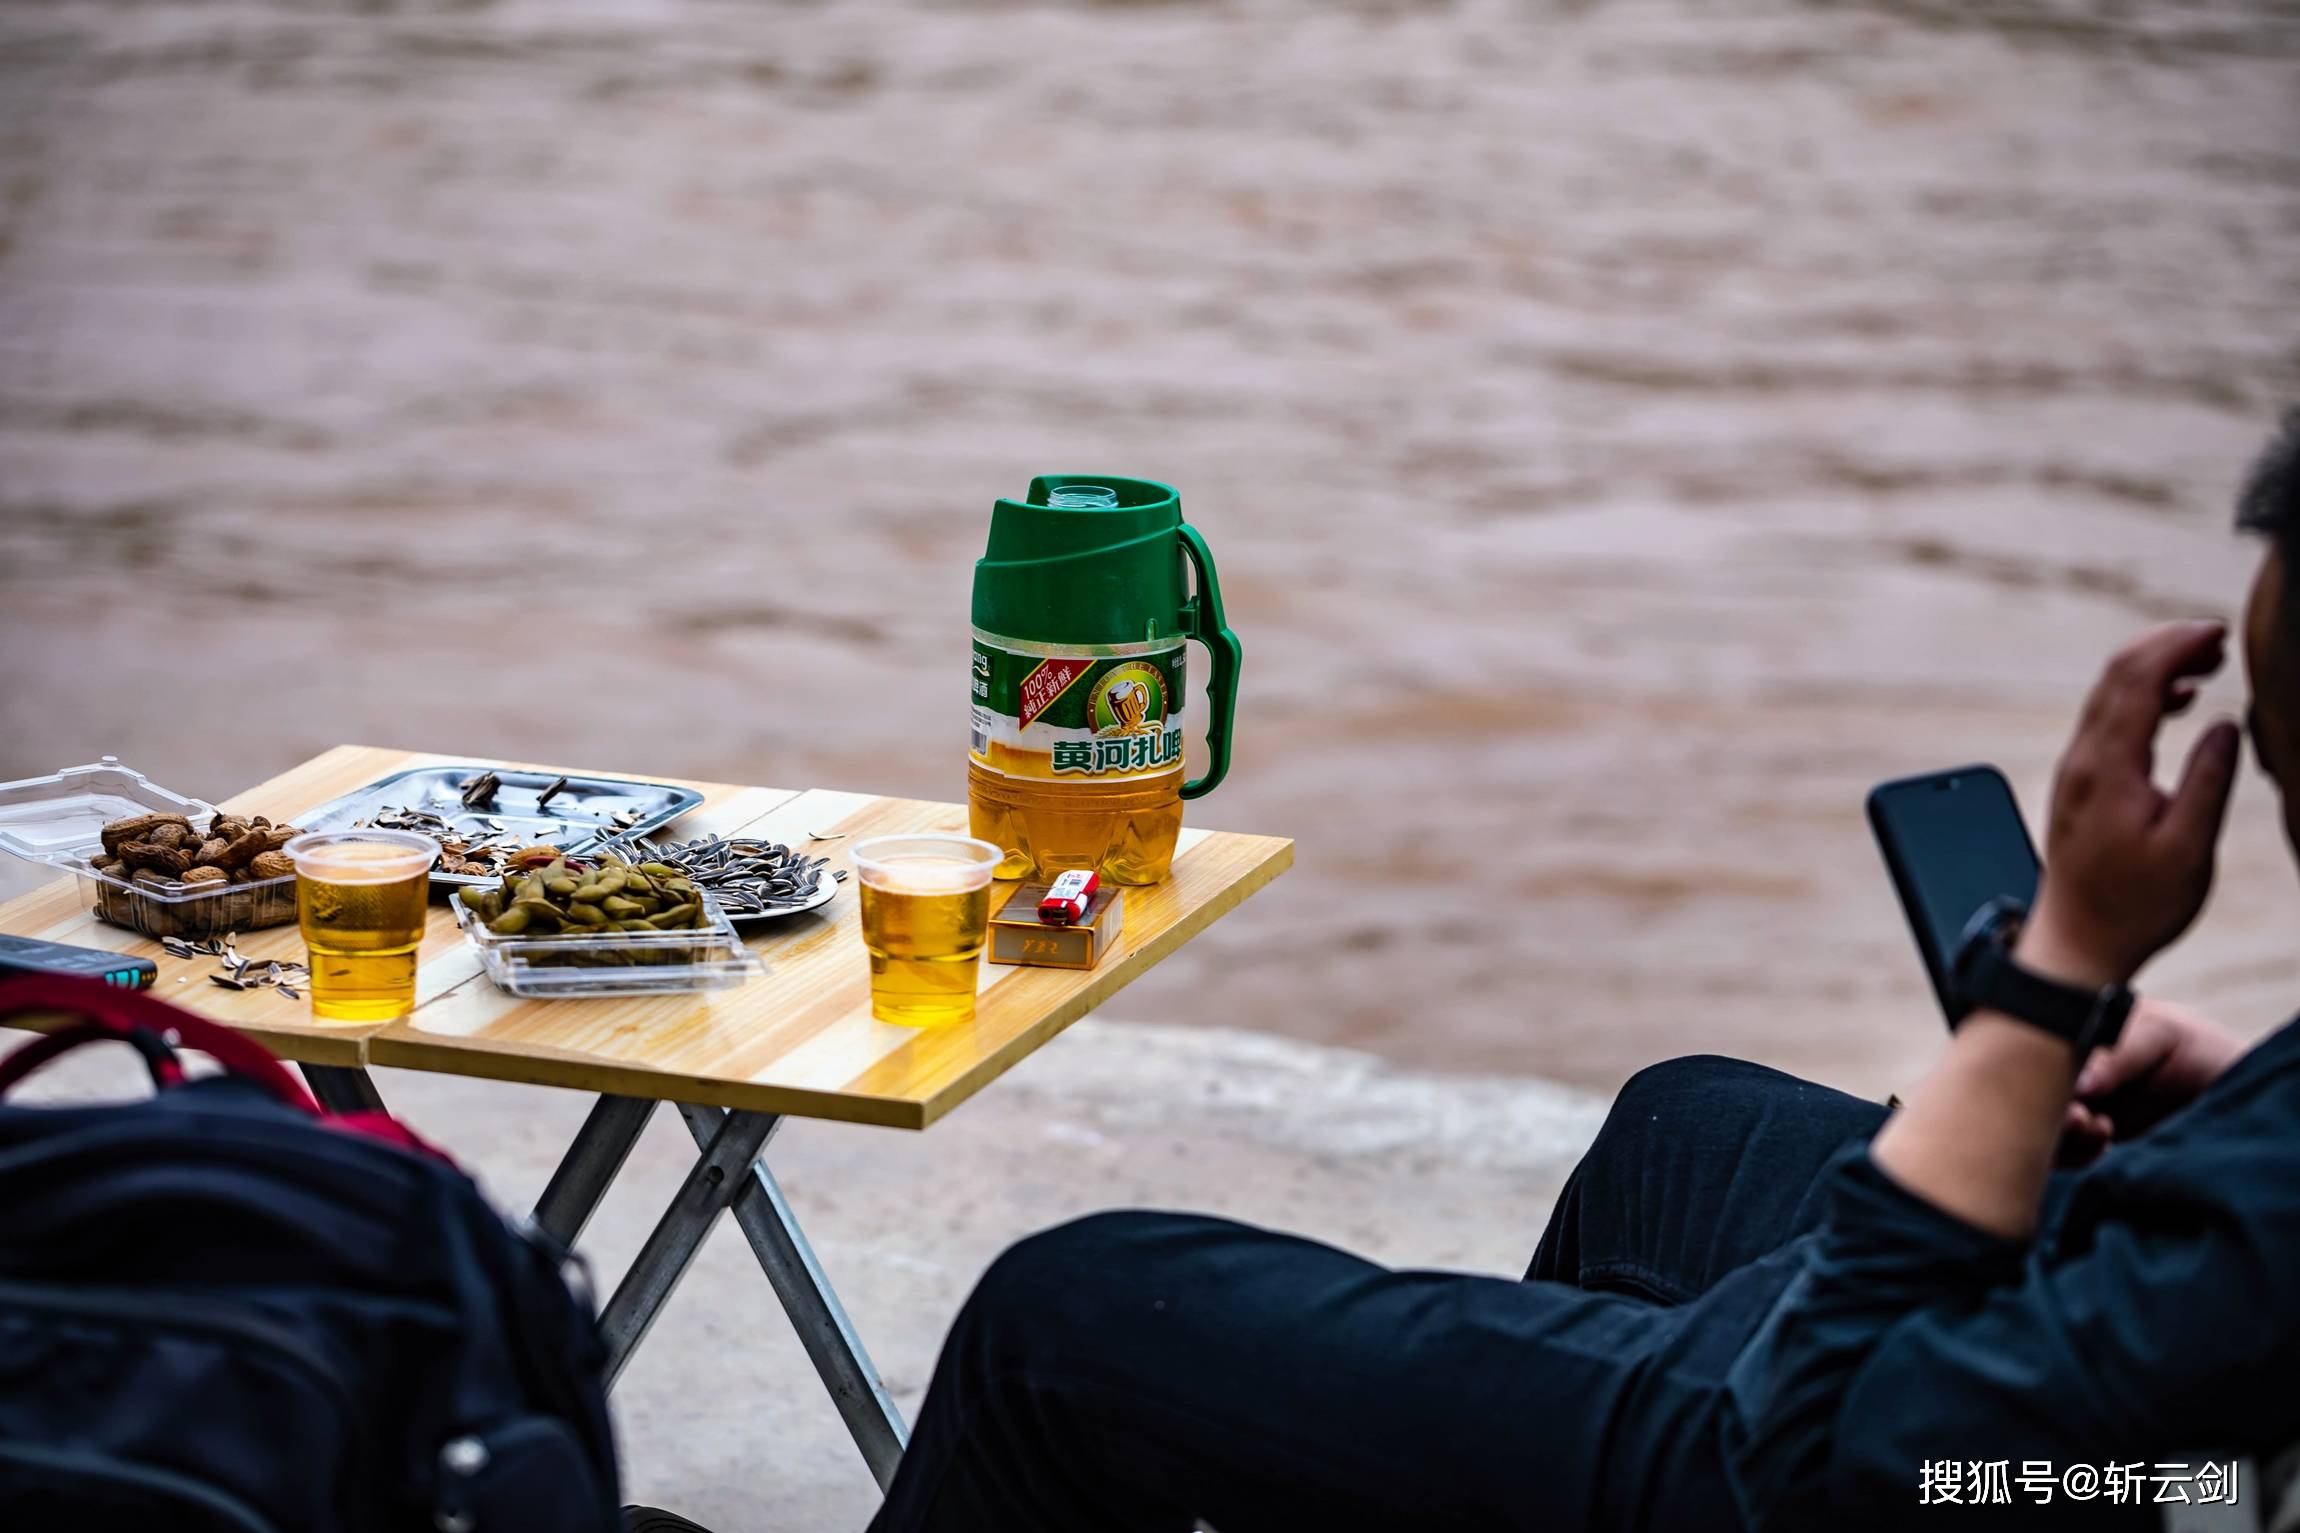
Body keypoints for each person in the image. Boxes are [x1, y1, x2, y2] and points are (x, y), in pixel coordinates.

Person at [633, 414, 2300, 1533]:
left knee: (1066, 1311)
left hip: (1945, 1453)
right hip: (2111, 1370)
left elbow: (1828, 1453)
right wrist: (2221, 1085)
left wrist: (2057, 972)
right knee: (1686, 1125)